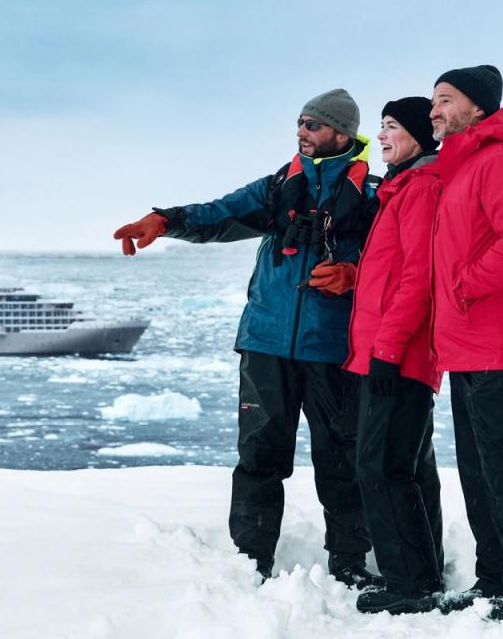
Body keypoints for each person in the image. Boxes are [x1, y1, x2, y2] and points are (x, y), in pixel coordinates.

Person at [113, 89, 381, 587]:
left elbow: (398, 261)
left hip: (335, 348)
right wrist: (165, 220)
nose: (301, 132)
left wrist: (354, 273)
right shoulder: (280, 187)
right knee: (259, 456)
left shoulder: (371, 197)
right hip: (266, 341)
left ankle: (348, 563)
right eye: (299, 123)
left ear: (341, 135)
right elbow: (219, 213)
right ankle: (249, 561)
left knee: (342, 458)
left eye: (313, 125)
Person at [426, 65, 503, 624]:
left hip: (500, 343)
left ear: (477, 108)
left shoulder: (499, 162)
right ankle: (495, 579)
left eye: (445, 100)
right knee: (478, 470)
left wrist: (464, 284)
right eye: (433, 101)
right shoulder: (462, 168)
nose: (434, 111)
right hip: (467, 345)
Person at [344, 97, 446, 615]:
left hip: (399, 352)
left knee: (381, 465)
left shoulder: (421, 188)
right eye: (380, 127)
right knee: (404, 464)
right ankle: (422, 572)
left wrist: (385, 350)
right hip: (390, 351)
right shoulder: (401, 187)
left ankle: (411, 584)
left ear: (418, 136)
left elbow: (417, 279)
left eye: (391, 127)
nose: (381, 136)